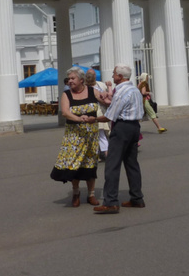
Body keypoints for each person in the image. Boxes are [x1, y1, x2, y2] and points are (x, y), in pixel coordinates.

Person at [94, 63, 145, 213]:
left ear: (120, 76)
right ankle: (137, 198)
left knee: (112, 165)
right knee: (132, 164)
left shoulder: (121, 91)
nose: (112, 76)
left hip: (122, 128)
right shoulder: (134, 89)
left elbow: (110, 115)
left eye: (114, 74)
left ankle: (110, 201)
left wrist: (93, 119)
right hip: (134, 127)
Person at [50, 67, 100, 207]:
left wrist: (108, 98)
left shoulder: (92, 91)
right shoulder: (67, 94)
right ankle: (76, 193)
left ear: (81, 80)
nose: (70, 81)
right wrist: (80, 119)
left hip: (91, 136)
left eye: (73, 78)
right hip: (74, 137)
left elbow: (104, 101)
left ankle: (91, 194)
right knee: (74, 165)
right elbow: (65, 113)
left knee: (90, 165)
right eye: (69, 79)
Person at [86, 69, 110, 162]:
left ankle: (102, 153)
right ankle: (102, 153)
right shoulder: (87, 88)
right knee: (101, 134)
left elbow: (107, 96)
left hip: (100, 112)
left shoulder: (100, 85)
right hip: (96, 113)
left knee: (100, 134)